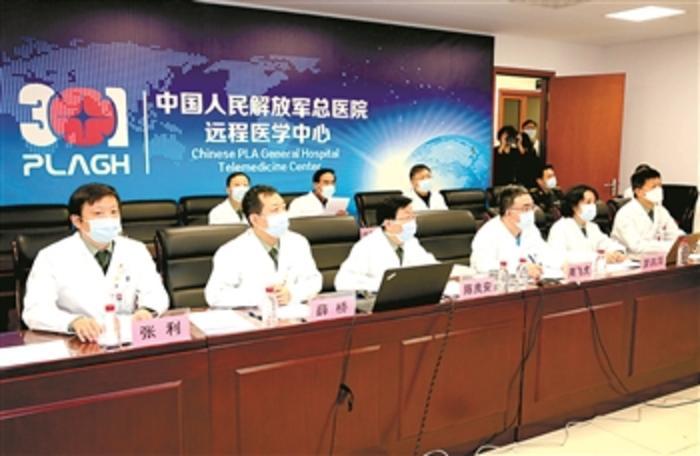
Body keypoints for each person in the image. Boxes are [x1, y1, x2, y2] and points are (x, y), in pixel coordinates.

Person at [22, 183, 168, 343]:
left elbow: (156, 293)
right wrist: (73, 322)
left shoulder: (136, 250)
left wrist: (146, 311)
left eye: (114, 212)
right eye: (98, 214)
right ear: (77, 221)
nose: (109, 219)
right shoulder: (51, 257)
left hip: (128, 338)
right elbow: (35, 311)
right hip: (79, 343)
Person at [205, 185, 322, 309]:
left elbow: (314, 280)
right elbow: (215, 295)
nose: (283, 215)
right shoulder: (231, 251)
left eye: (284, 208)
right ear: (255, 219)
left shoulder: (298, 242)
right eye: (275, 210)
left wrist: (292, 293)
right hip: (253, 316)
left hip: (292, 313)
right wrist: (261, 296)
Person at [335, 195, 437, 293]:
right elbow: (342, 281)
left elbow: (433, 267)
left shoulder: (411, 242)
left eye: (413, 217)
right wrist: (384, 285)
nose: (412, 222)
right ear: (388, 223)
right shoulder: (367, 246)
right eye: (406, 218)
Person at [470, 184, 560, 279]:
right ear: (508, 212)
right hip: (499, 283)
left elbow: (545, 252)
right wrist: (520, 268)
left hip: (527, 282)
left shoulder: (529, 228)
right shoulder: (488, 233)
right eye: (526, 208)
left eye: (532, 207)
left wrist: (562, 263)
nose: (531, 212)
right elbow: (483, 265)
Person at [611, 167, 684, 254]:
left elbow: (674, 233)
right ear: (638, 191)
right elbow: (637, 246)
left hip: (656, 257)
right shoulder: (625, 214)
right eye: (654, 187)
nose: (659, 190)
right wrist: (671, 246)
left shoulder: (660, 210)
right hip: (630, 259)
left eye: (660, 186)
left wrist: (685, 241)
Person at [548, 185, 626, 263]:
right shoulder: (560, 228)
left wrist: (617, 252)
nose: (593, 206)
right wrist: (598, 257)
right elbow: (559, 256)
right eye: (588, 202)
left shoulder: (592, 227)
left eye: (594, 203)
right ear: (574, 206)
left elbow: (606, 243)